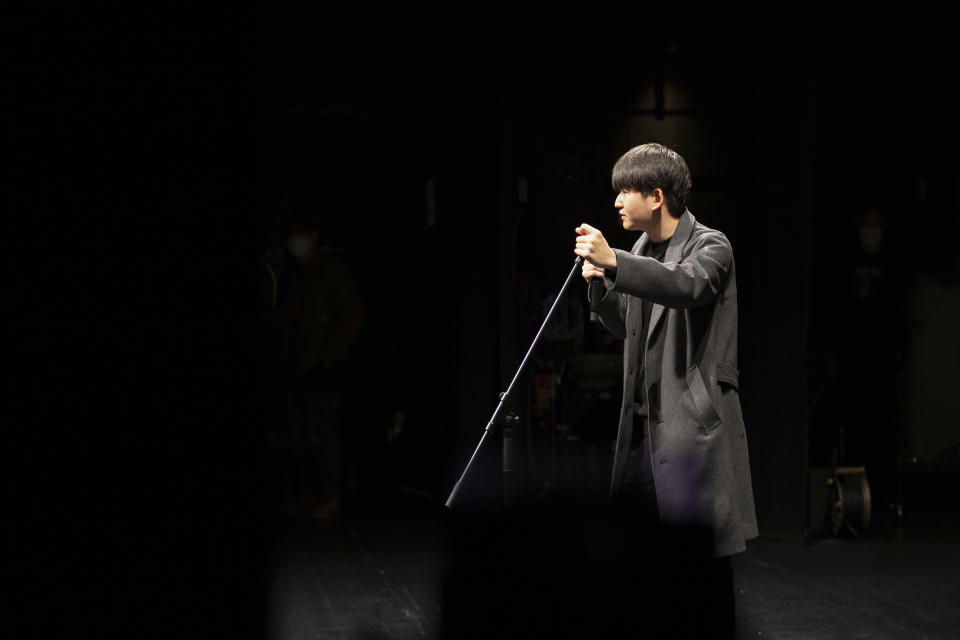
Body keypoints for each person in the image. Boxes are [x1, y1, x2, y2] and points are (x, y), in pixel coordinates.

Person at [574, 143, 758, 638]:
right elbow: (624, 325)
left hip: (690, 431)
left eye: (625, 191)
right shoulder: (639, 252)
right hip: (641, 432)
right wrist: (602, 282)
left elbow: (687, 286)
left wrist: (617, 262)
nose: (616, 201)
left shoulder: (711, 247)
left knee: (703, 564)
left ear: (656, 197)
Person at [279, 220, 364, 521]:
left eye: (301, 233)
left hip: (320, 369)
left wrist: (330, 359)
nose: (295, 240)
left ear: (313, 235)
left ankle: (331, 496)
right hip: (298, 367)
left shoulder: (330, 271)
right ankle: (309, 492)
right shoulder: (296, 274)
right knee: (300, 433)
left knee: (322, 434)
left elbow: (351, 317)